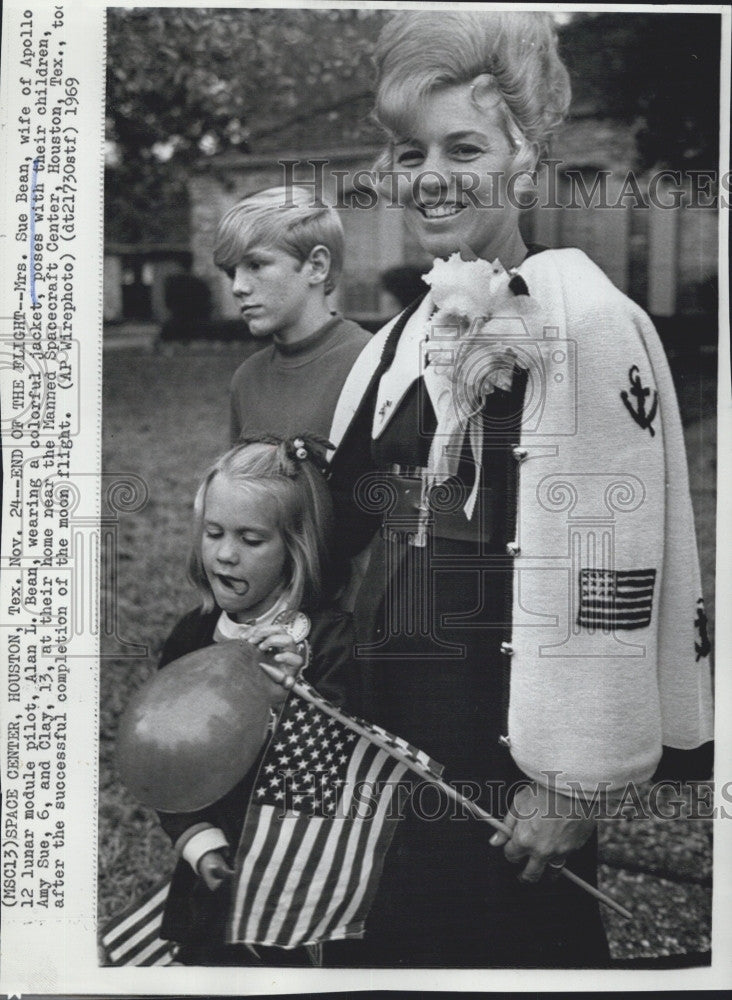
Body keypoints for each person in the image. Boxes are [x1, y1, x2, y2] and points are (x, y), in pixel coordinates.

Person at [325, 10, 714, 967]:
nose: (432, 174)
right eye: (411, 151)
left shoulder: (582, 320)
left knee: (509, 962)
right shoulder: (394, 338)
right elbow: (346, 518)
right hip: (391, 718)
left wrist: (573, 786)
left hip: (507, 733)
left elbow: (613, 557)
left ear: (526, 163)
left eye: (465, 146)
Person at [154, 436, 356, 966]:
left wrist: (286, 699)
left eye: (250, 538)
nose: (224, 552)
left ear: (296, 547)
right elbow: (162, 758)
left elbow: (336, 770)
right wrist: (196, 841)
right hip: (213, 881)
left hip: (301, 888)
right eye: (214, 533)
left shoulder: (329, 642)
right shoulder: (191, 637)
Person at [215, 187, 371, 447]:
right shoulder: (247, 379)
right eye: (232, 272)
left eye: (255, 265)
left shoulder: (371, 364)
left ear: (316, 266)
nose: (237, 287)